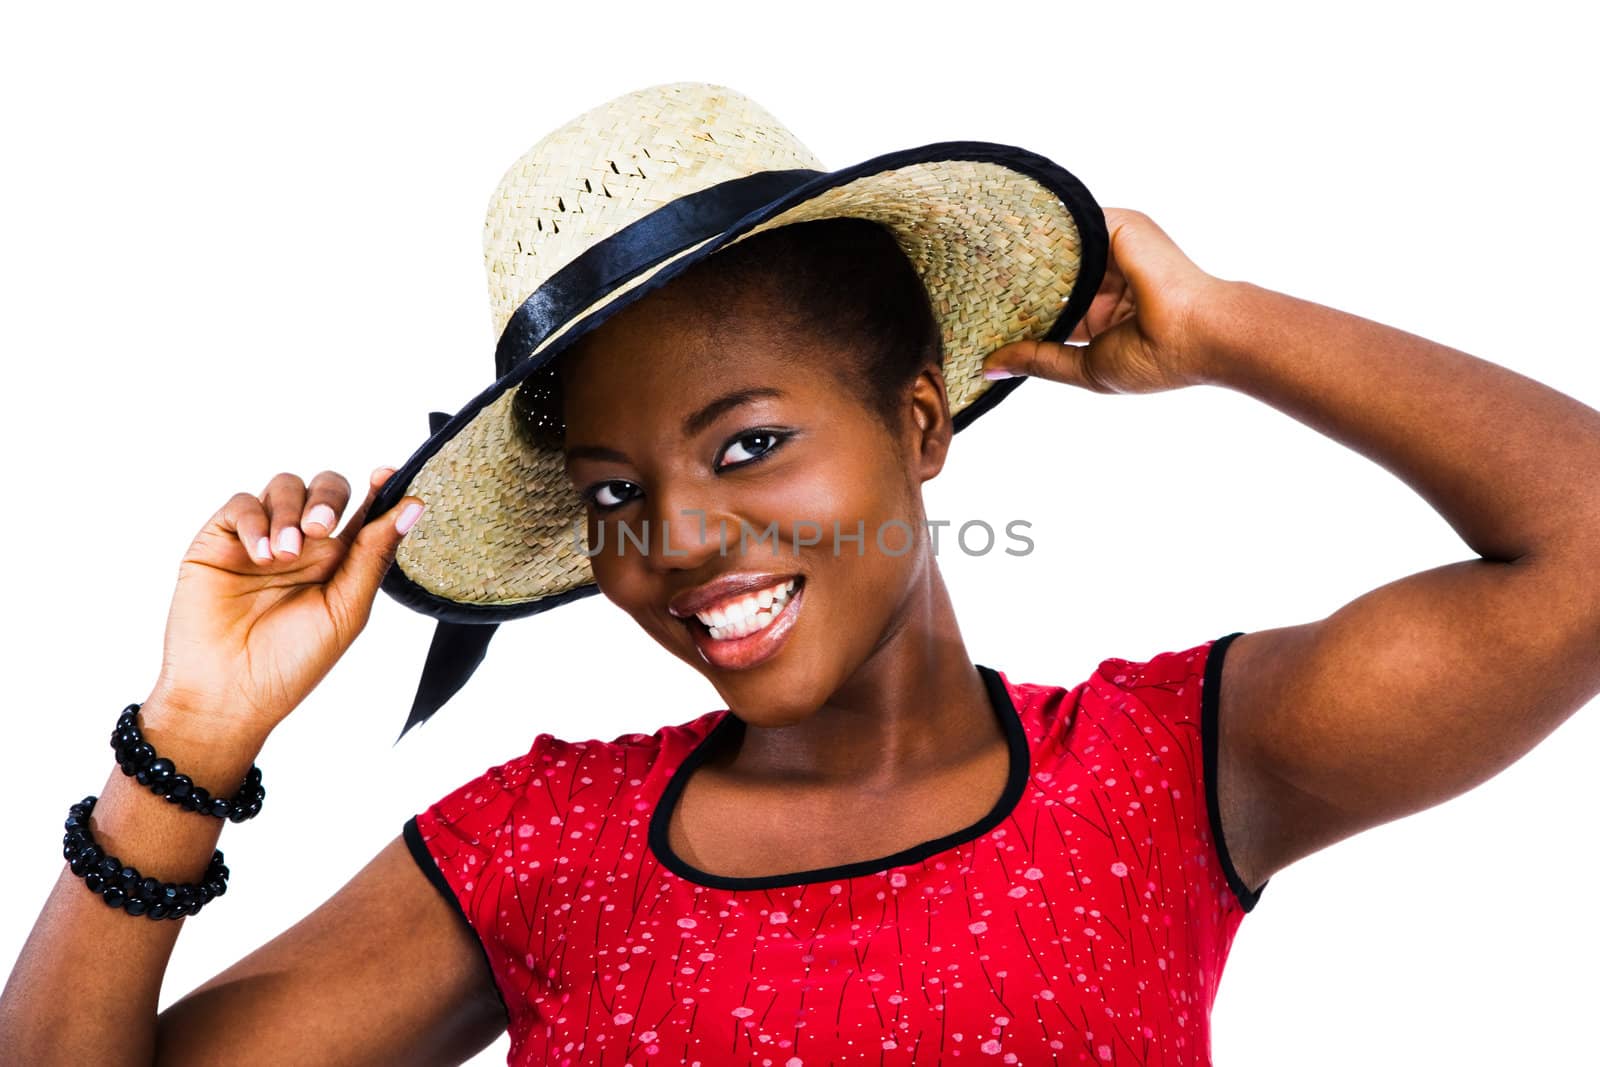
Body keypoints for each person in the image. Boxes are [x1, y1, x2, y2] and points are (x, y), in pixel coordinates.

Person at [5, 95, 1600, 1067]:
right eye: (616, 492)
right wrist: (189, 746)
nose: (683, 536)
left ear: (921, 422)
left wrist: (1226, 324)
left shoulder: (1169, 778)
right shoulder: (532, 855)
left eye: (752, 443)